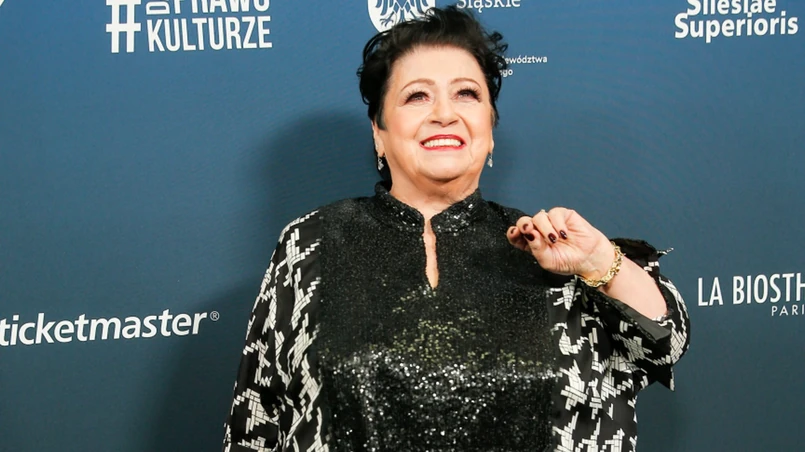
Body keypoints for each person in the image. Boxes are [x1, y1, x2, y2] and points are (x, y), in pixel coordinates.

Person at [222, 6, 690, 452]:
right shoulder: (313, 242)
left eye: (466, 94)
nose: (444, 113)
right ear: (379, 132)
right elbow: (257, 419)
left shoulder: (547, 248)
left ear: (490, 129)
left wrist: (596, 261)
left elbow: (664, 342)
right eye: (417, 96)